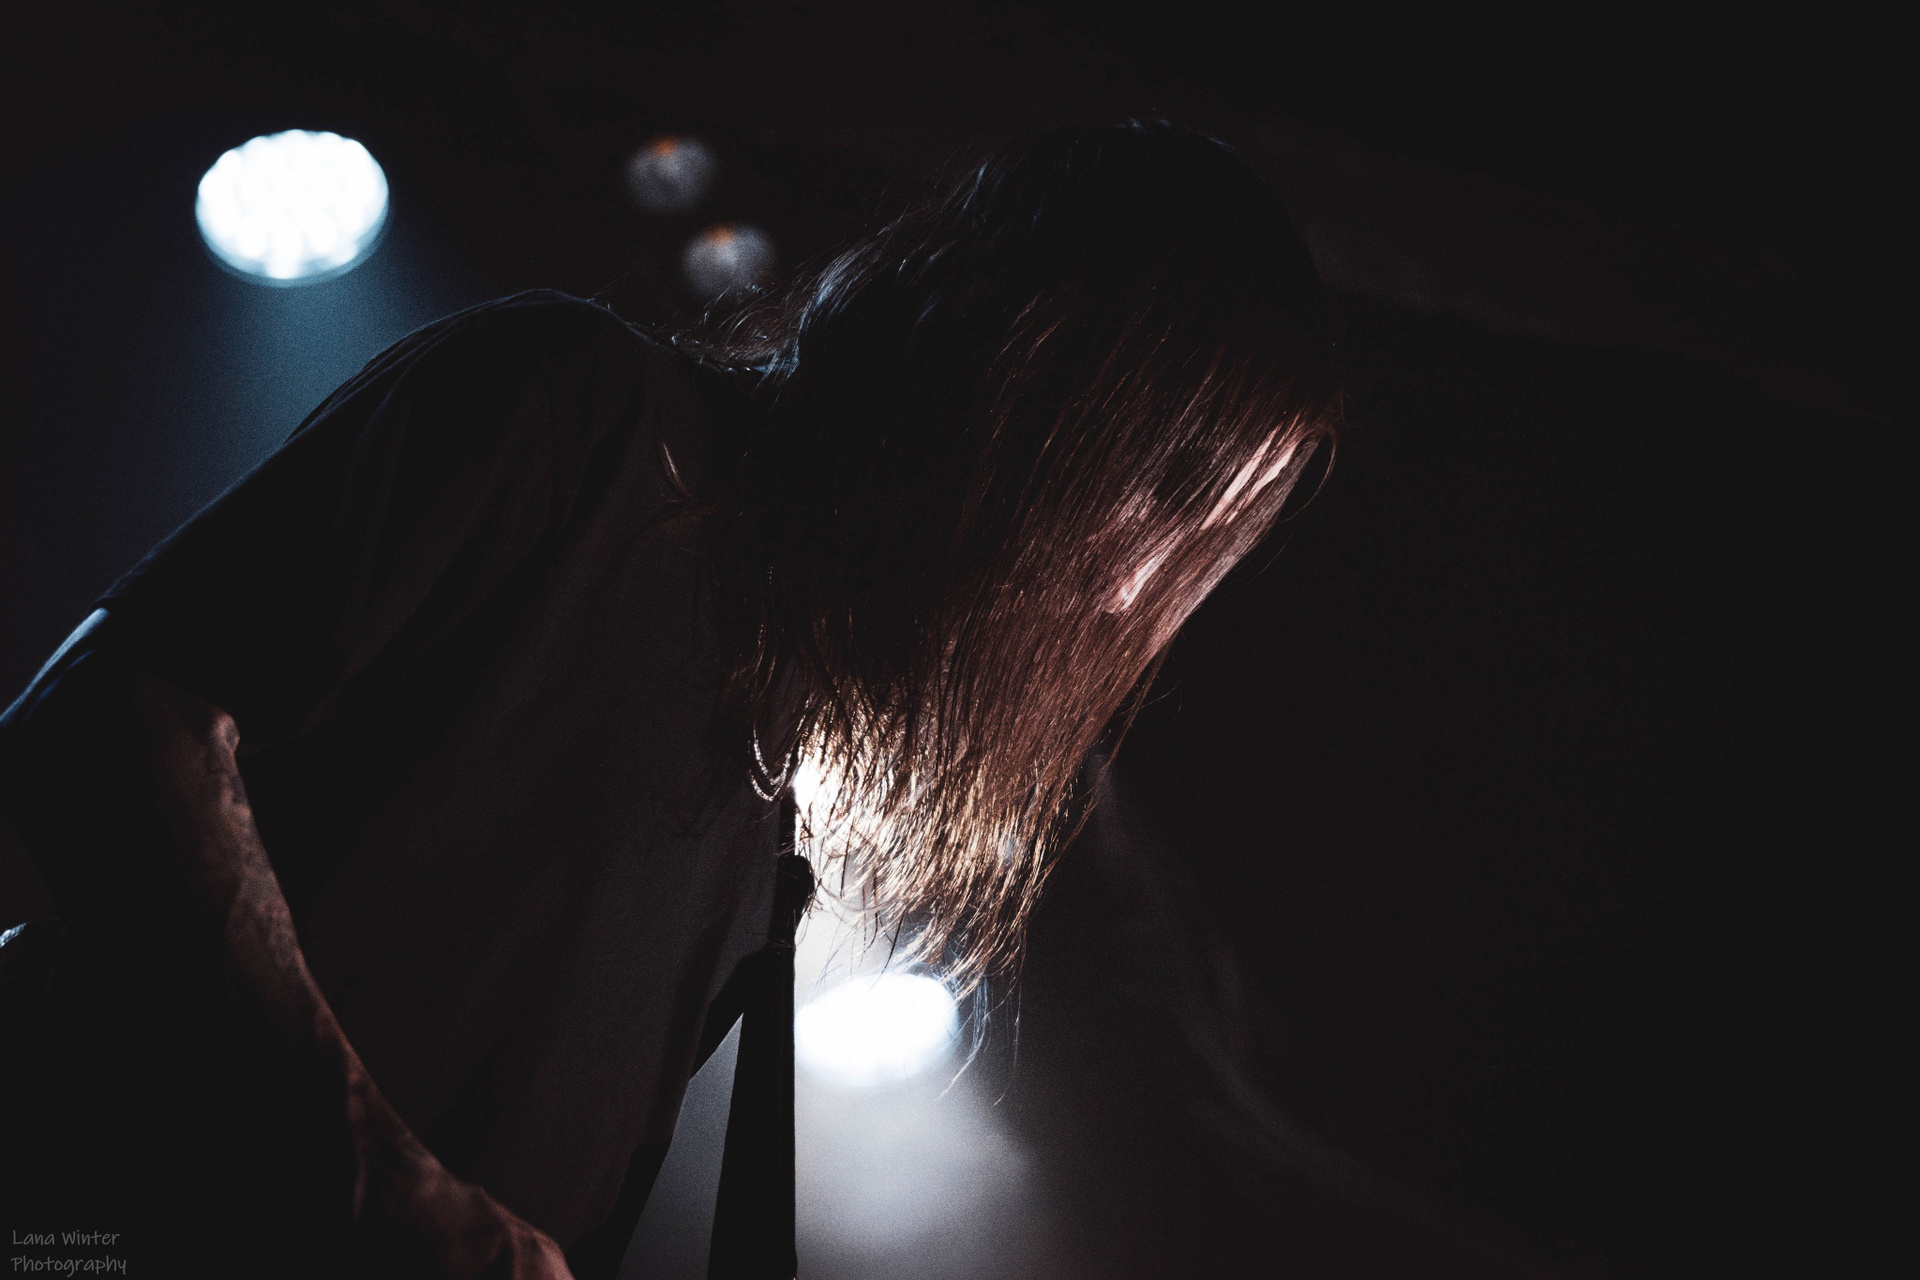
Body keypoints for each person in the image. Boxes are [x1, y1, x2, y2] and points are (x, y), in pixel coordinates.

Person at [0, 121, 1338, 1278]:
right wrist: (377, 1177)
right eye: (1162, 485)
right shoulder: (577, 408)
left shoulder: (798, 788)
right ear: (1028, 361)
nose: (1129, 593)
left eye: (1205, 544)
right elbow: (103, 718)